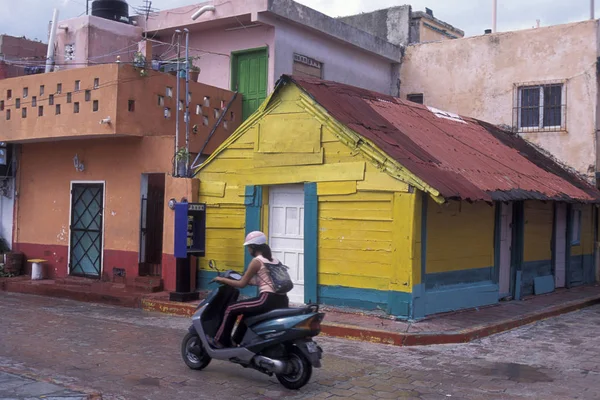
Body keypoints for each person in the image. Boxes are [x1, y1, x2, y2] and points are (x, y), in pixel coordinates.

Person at [209, 231, 289, 348]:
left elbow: (241, 284)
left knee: (231, 308)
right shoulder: (274, 260)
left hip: (267, 299)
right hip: (282, 300)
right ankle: (236, 342)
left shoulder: (257, 261)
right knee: (247, 314)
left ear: (253, 247)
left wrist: (222, 279)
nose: (248, 250)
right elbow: (267, 280)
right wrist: (250, 281)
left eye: (248, 247)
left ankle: (220, 341)